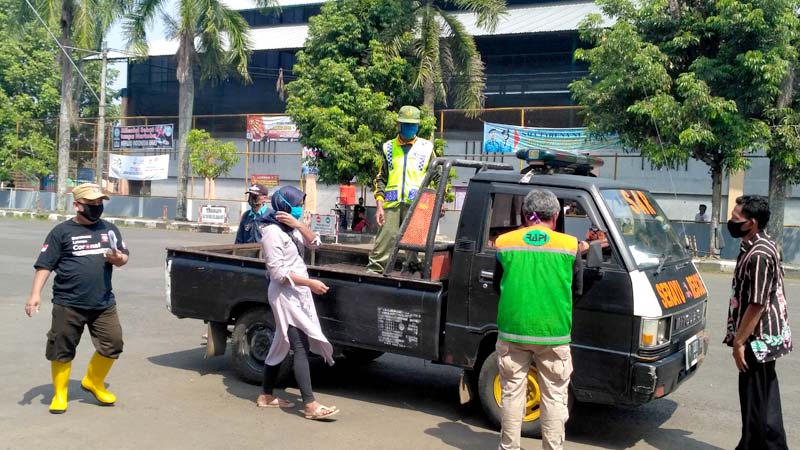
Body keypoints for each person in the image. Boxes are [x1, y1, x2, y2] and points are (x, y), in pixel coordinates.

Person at [24, 183, 130, 414]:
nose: (96, 207)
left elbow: (123, 257)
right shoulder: (61, 232)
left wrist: (119, 259)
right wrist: (35, 294)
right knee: (61, 348)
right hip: (68, 303)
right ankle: (60, 393)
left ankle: (93, 381)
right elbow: (45, 265)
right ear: (77, 205)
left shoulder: (109, 229)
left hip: (103, 303)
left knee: (113, 343)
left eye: (99, 203)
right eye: (91, 203)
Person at [492, 189, 583, 450]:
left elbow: (498, 285)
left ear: (525, 215)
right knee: (554, 396)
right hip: (554, 333)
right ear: (555, 216)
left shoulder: (505, 242)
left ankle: (509, 447)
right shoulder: (570, 245)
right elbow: (577, 290)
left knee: (512, 392)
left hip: (513, 330)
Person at [256, 185, 340, 420]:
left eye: (301, 205)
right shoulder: (272, 232)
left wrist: (299, 225)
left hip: (298, 293)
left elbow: (315, 244)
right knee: (299, 345)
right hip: (284, 295)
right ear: (284, 205)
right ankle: (310, 405)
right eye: (297, 205)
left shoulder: (291, 228)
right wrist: (310, 283)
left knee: (279, 344)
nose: (300, 208)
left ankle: (265, 395)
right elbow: (278, 274)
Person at [724, 195, 792, 450]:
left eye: (735, 218)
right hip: (763, 337)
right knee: (765, 400)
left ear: (751, 223)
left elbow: (757, 304)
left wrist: (739, 343)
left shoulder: (759, 254)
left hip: (757, 339)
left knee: (754, 403)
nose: (731, 221)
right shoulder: (760, 244)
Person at [367, 105, 435, 274]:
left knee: (414, 246)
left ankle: (412, 273)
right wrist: (379, 205)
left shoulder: (426, 148)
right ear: (399, 124)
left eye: (412, 125)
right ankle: (374, 273)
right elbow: (381, 179)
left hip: (417, 205)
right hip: (391, 205)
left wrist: (438, 202)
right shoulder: (388, 147)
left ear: (418, 126)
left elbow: (439, 176)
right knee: (384, 241)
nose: (409, 127)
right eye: (406, 124)